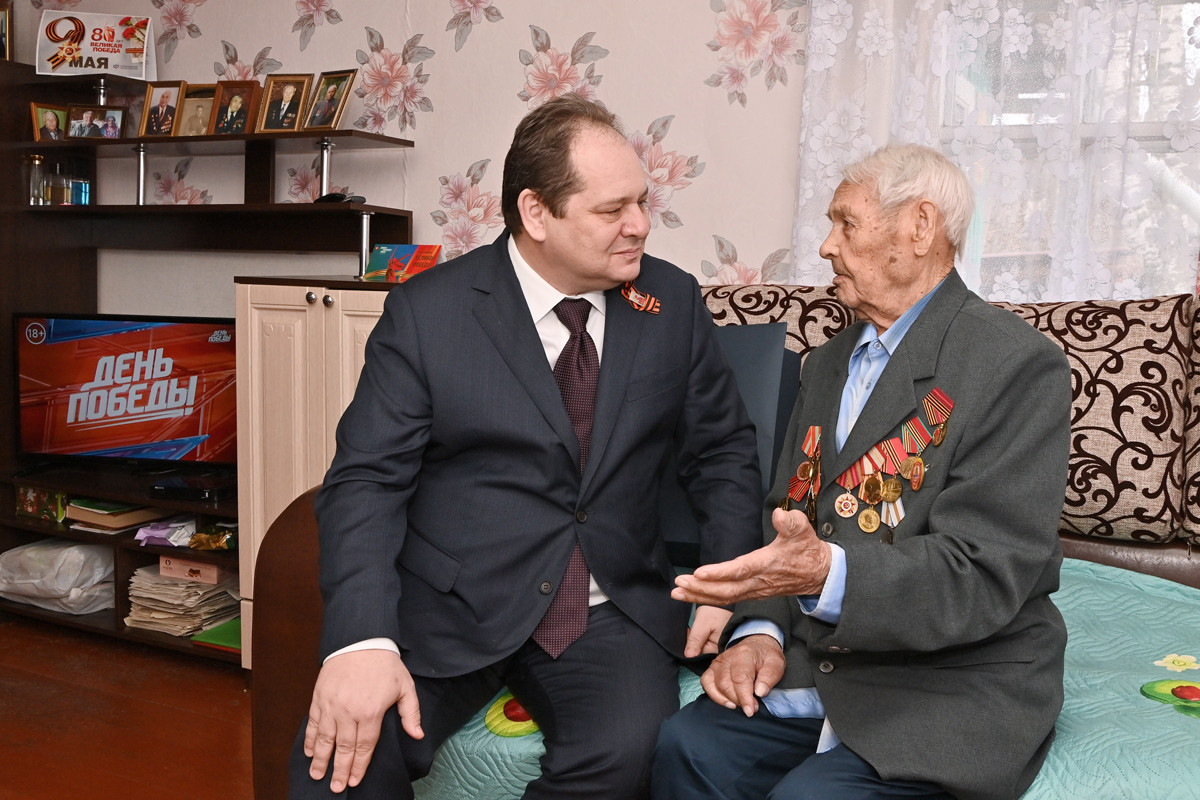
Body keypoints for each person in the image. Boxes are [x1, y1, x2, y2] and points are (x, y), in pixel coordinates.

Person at [289, 93, 763, 799]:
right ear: (536, 213)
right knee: (340, 761)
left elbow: (722, 453)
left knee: (625, 757)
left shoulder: (671, 303)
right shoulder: (428, 313)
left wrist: (729, 587)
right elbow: (366, 482)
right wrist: (361, 641)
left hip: (606, 608)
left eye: (642, 202)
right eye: (612, 209)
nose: (639, 225)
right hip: (451, 604)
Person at [654, 144, 1071, 800]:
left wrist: (825, 574)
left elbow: (982, 571)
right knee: (685, 749)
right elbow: (787, 520)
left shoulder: (1015, 365)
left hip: (948, 678)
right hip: (824, 662)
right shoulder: (826, 363)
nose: (826, 246)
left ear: (920, 227)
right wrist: (760, 631)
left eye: (846, 223)